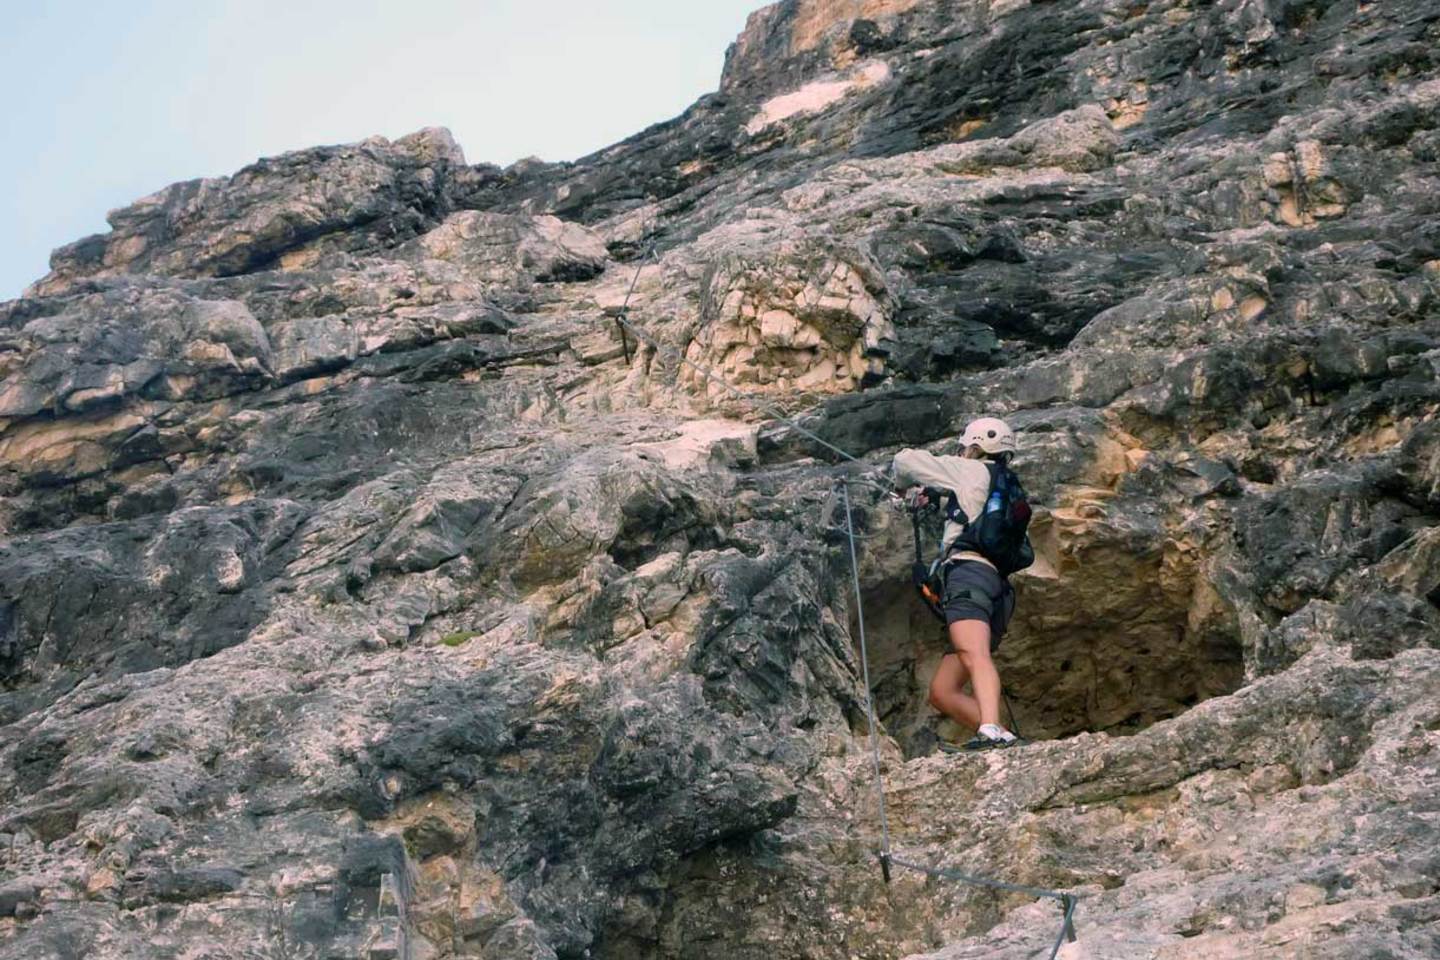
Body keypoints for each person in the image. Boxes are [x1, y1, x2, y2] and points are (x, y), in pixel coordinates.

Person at [892, 417, 1025, 750]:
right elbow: (971, 513)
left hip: (968, 576)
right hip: (996, 589)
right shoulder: (1003, 484)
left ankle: (991, 730)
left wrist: (899, 486)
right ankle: (1002, 734)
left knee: (974, 653)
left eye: (966, 446)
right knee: (943, 691)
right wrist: (937, 499)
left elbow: (905, 460)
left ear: (976, 445)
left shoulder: (972, 470)